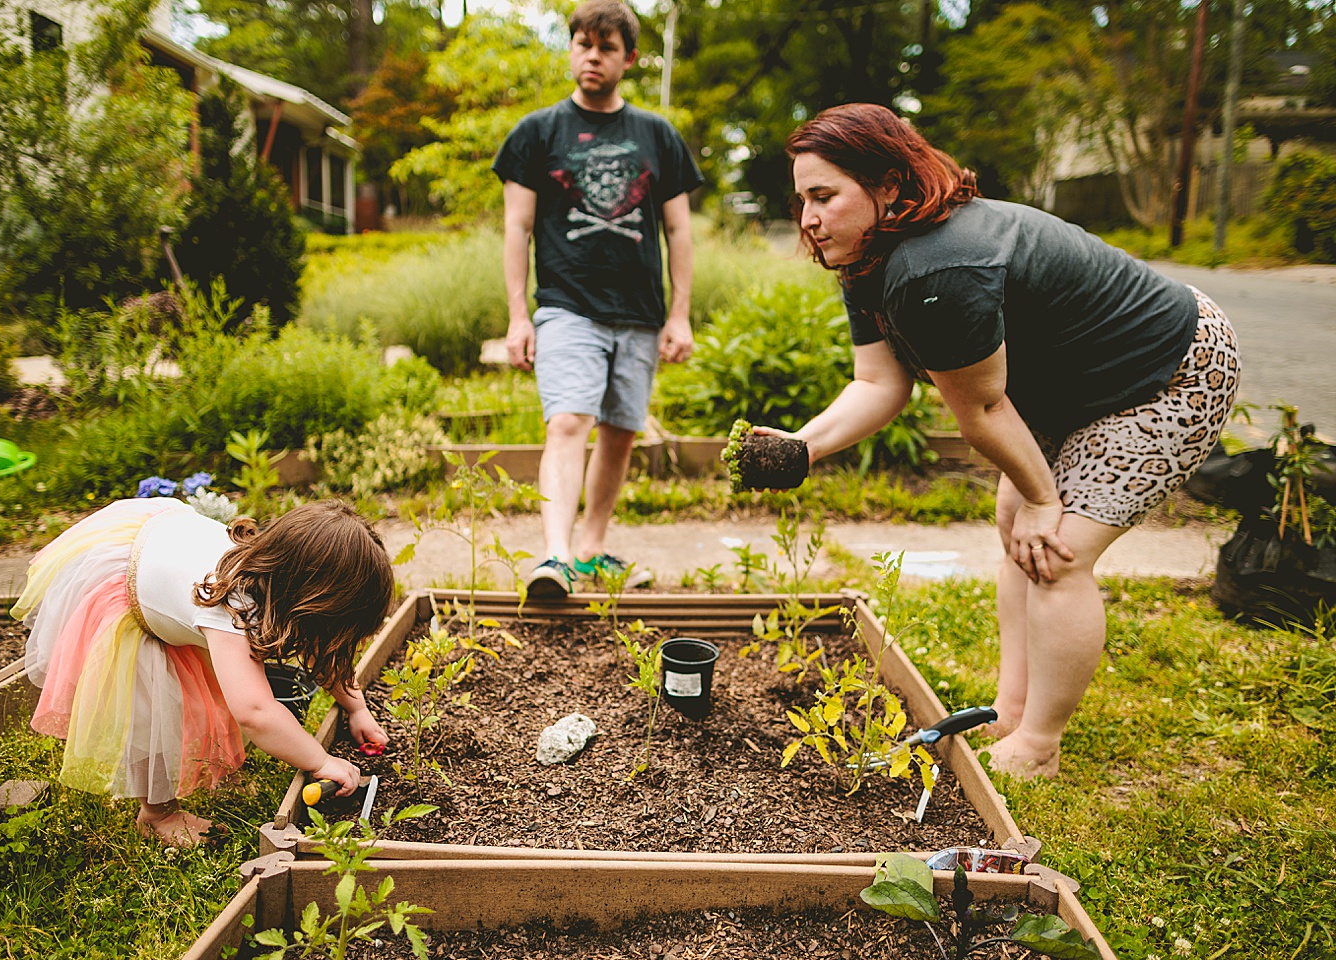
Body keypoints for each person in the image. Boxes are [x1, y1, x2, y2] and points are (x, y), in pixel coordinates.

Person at [770, 103, 1241, 778]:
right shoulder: (867, 259)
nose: (809, 219)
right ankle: (1011, 711)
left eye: (824, 196)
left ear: (889, 188)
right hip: (1076, 380)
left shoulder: (937, 266)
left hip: (1170, 368)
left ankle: (1038, 746)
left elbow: (984, 408)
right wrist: (801, 446)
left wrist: (1045, 500)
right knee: (1013, 520)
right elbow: (879, 383)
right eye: (802, 200)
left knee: (1055, 550)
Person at [12, 498, 392, 844]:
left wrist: (356, 708)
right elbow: (256, 713)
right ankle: (156, 814)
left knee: (227, 681)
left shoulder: (271, 573)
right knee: (154, 710)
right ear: (311, 602)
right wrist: (322, 761)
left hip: (164, 541)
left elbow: (324, 655)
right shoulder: (231, 603)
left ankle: (217, 771)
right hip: (129, 594)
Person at [493, 0, 704, 598]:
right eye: (583, 44)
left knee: (619, 431)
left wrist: (681, 314)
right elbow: (517, 228)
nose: (593, 55)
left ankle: (590, 548)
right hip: (566, 303)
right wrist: (517, 316)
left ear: (629, 58)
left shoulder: (657, 134)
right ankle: (556, 559)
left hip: (639, 311)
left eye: (606, 47)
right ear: (571, 50)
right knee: (568, 421)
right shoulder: (537, 132)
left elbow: (680, 231)